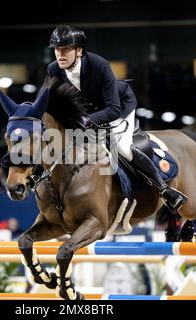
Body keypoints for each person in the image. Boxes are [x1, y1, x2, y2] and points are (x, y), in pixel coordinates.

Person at [46, 25, 187, 211]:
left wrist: (85, 121)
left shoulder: (99, 65)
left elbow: (113, 109)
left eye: (65, 49)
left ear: (79, 50)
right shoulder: (54, 69)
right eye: (57, 49)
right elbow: (51, 101)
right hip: (87, 115)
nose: (60, 54)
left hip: (118, 107)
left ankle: (164, 190)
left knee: (123, 147)